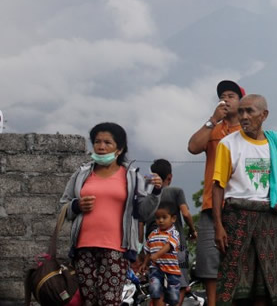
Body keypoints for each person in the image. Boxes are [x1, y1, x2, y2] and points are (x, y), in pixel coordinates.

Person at [60, 122, 162, 306]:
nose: (101, 146)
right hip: (83, 249)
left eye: (108, 142)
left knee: (109, 301)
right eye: (97, 142)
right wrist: (77, 205)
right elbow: (63, 207)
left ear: (119, 148)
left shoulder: (131, 176)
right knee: (89, 301)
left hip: (117, 249)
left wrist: (155, 192)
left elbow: (144, 212)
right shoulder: (82, 174)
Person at [212, 94, 277, 305]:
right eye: (241, 111)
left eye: (250, 111)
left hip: (268, 216)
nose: (244, 116)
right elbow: (218, 187)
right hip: (236, 216)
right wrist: (218, 226)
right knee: (237, 283)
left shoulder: (275, 144)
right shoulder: (227, 144)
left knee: (268, 283)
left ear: (264, 115)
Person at [187, 80, 244, 306]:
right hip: (212, 206)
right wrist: (212, 120)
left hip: (240, 205)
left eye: (231, 95)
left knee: (241, 265)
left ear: (242, 102)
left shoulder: (248, 130)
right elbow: (192, 147)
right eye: (223, 95)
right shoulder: (214, 129)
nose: (226, 99)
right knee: (210, 267)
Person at [146, 159, 197, 306]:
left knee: (157, 286)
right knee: (180, 284)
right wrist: (193, 230)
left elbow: (141, 221)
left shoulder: (148, 197)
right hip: (176, 246)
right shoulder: (176, 192)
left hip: (154, 248)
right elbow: (186, 214)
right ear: (170, 177)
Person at [143, 201, 182, 306]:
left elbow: (168, 246)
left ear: (173, 219)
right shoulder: (152, 234)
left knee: (173, 297)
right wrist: (144, 264)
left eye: (164, 217)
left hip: (171, 270)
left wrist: (157, 255)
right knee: (155, 289)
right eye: (158, 218)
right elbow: (148, 251)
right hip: (156, 268)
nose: (160, 221)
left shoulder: (174, 233)